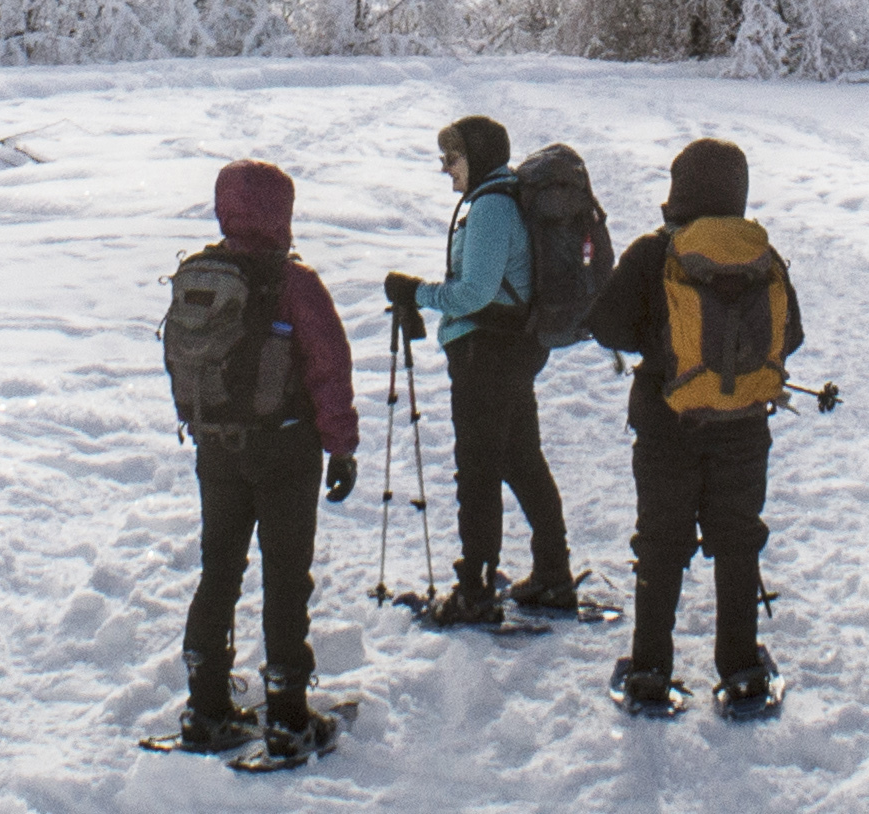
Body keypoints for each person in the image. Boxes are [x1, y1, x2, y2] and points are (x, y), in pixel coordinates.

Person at [583, 134, 803, 712]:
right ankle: (743, 672)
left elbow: (606, 324)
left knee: (662, 543)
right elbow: (792, 336)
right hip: (744, 427)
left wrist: (662, 348)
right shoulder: (762, 255)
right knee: (736, 540)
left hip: (666, 424)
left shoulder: (655, 253)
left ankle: (650, 674)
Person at [166, 158, 359, 758]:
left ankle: (205, 705)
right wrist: (342, 447)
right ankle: (287, 713)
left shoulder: (200, 272)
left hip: (217, 445)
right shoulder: (292, 281)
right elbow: (329, 365)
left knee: (218, 569)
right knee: (284, 576)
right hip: (285, 447)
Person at [382, 114, 578, 626]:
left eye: (453, 159)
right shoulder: (504, 198)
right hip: (511, 348)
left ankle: (475, 589)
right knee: (519, 460)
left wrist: (416, 293)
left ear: (479, 156)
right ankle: (553, 574)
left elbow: (473, 293)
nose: (446, 170)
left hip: (487, 353)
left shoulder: (491, 206)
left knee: (480, 471)